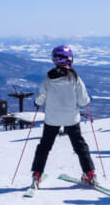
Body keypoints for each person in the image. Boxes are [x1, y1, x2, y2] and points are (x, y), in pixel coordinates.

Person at [30, 45, 96, 187]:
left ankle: (37, 174)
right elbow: (84, 101)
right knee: (80, 146)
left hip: (52, 119)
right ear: (70, 60)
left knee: (44, 146)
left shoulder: (48, 78)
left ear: (54, 60)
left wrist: (37, 102)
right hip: (71, 119)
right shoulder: (75, 78)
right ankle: (89, 174)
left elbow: (41, 98)